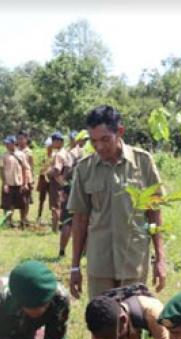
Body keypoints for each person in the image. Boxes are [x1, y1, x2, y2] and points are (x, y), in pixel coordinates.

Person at [68, 105, 167, 299]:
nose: (100, 147)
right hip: (99, 262)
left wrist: (160, 259)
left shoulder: (143, 162)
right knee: (102, 320)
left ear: (120, 132)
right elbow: (79, 220)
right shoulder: (84, 169)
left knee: (133, 320)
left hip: (133, 260)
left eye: (105, 139)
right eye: (94, 141)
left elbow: (154, 212)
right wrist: (74, 267)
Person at [59, 131, 89, 258]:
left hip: (74, 188)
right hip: (88, 189)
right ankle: (84, 252)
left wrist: (64, 187)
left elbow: (67, 172)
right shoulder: (93, 152)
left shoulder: (72, 153)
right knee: (87, 221)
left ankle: (62, 250)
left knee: (68, 221)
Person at [0, 135, 33, 228]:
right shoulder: (4, 156)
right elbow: (1, 170)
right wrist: (4, 183)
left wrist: (25, 183)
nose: (6, 145)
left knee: (22, 203)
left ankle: (23, 221)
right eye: (5, 143)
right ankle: (9, 222)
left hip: (19, 183)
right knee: (8, 204)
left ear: (13, 144)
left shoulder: (21, 155)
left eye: (8, 143)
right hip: (9, 183)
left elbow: (25, 169)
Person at [46, 132, 71, 234]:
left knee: (55, 206)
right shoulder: (66, 152)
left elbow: (57, 170)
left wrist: (49, 173)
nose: (52, 144)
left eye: (54, 141)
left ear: (59, 142)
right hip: (64, 182)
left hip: (56, 183)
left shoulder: (59, 155)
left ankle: (55, 229)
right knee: (61, 204)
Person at [36, 137, 53, 225]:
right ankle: (39, 216)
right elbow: (40, 167)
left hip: (52, 180)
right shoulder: (44, 156)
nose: (48, 147)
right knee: (41, 199)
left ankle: (53, 217)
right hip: (43, 179)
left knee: (52, 199)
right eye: (47, 146)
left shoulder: (55, 156)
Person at [17, 130, 35, 210]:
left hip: (26, 178)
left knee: (26, 199)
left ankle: (24, 218)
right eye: (18, 139)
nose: (20, 141)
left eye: (22, 139)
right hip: (16, 177)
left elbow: (31, 167)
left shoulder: (29, 152)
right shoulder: (15, 151)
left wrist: (31, 180)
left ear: (26, 139)